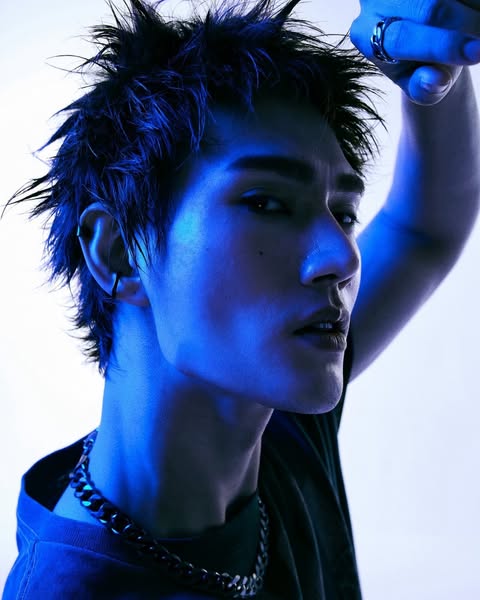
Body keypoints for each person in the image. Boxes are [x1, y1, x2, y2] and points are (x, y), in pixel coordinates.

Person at [2, 0, 479, 598]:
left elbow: (424, 229)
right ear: (119, 250)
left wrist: (431, 68)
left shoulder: (278, 419)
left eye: (343, 213)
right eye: (267, 203)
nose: (343, 257)